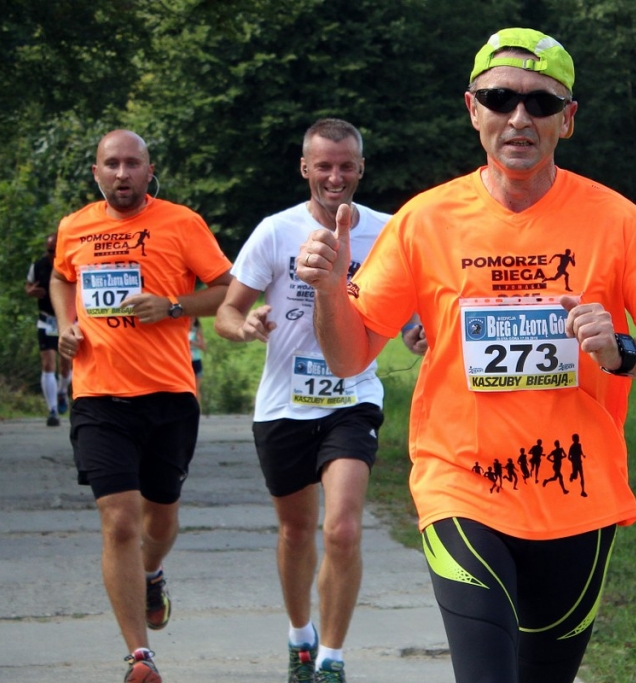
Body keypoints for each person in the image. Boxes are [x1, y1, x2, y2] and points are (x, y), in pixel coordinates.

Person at [296, 28, 636, 683]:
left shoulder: (617, 221)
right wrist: (327, 290)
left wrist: (623, 350)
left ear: (567, 119)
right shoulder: (425, 220)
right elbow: (349, 356)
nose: (519, 117)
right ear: (473, 109)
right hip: (461, 486)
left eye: (541, 103)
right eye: (499, 98)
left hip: (578, 494)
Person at [215, 118, 424, 683]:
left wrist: (416, 332)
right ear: (305, 167)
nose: (336, 177)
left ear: (361, 168)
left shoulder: (388, 231)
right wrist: (245, 326)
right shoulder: (275, 231)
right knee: (294, 530)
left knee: (343, 530)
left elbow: (413, 311)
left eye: (346, 166)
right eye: (324, 166)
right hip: (283, 403)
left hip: (352, 397)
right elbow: (227, 310)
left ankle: (331, 657)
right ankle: (300, 636)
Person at [49, 129, 233, 683]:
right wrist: (66, 325)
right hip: (98, 396)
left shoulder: (181, 223)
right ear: (96, 172)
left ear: (150, 171)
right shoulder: (75, 227)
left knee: (161, 516)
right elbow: (61, 278)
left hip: (168, 394)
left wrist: (173, 305)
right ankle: (139, 656)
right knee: (119, 520)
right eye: (112, 164)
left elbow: (227, 289)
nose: (122, 173)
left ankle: (151, 574)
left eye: (133, 164)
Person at [25, 231, 72, 426]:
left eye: (54, 250)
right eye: (48, 250)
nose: (51, 254)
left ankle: (62, 391)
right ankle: (52, 410)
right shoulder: (38, 266)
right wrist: (31, 291)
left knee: (66, 364)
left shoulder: (71, 262)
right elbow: (28, 286)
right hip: (47, 320)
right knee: (47, 363)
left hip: (68, 320)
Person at [189, 316, 207, 402]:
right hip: (185, 362)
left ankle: (198, 407)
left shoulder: (196, 331)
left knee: (196, 389)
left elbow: (203, 346)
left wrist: (193, 343)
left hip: (195, 361)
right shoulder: (181, 330)